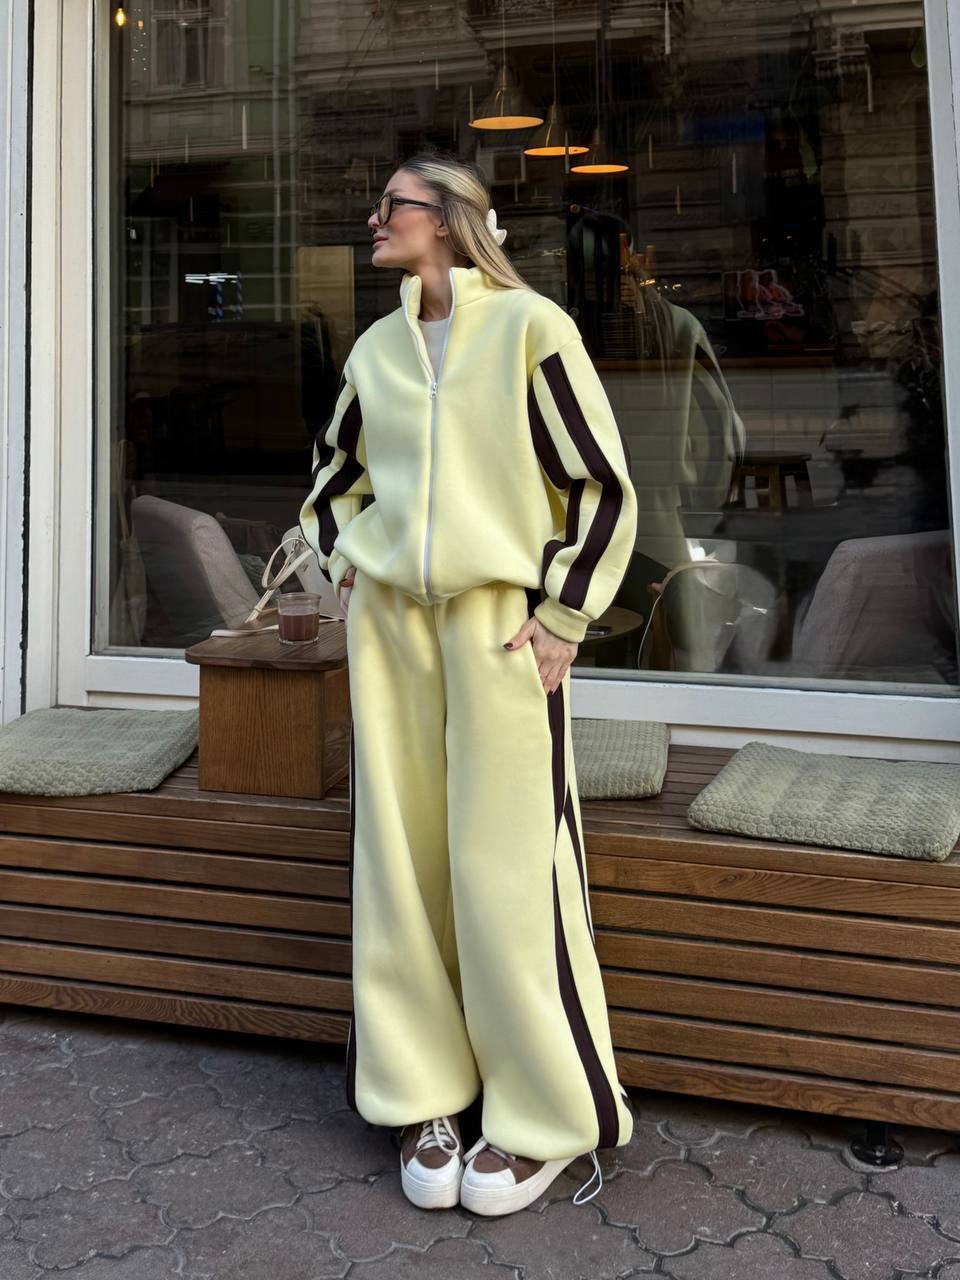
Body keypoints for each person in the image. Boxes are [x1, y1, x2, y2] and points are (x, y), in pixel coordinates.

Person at [298, 149, 638, 1218]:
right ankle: (423, 1095)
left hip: (501, 627)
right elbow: (332, 479)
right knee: (400, 864)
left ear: (445, 219)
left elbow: (600, 483)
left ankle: (545, 1116)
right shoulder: (376, 350)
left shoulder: (534, 328)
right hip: (394, 630)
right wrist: (351, 560)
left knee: (509, 868)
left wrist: (564, 614)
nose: (373, 220)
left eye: (390, 206)